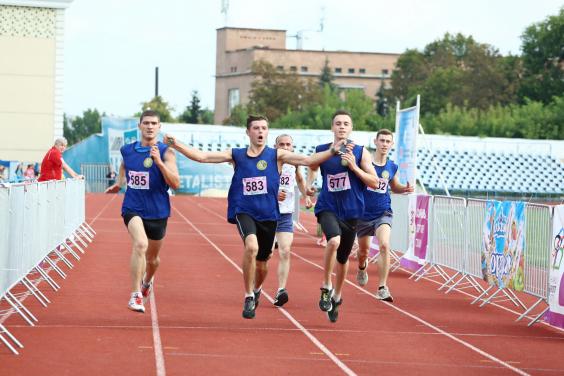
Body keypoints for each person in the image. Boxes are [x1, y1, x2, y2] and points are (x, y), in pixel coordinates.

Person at [164, 115, 347, 319]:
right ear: (248, 132)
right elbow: (203, 157)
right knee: (251, 246)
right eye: (256, 128)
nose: (260, 132)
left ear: (267, 132)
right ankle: (249, 294)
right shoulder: (237, 155)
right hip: (244, 210)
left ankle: (257, 288)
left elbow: (308, 160)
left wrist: (332, 150)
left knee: (263, 262)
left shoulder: (277, 155)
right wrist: (177, 144)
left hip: (269, 214)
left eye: (264, 128)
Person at [306, 110, 379, 323]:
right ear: (332, 128)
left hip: (352, 211)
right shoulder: (323, 150)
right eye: (338, 123)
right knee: (333, 241)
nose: (342, 127)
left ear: (351, 128)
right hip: (328, 206)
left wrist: (354, 167)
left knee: (343, 258)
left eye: (346, 123)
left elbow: (374, 182)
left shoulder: (360, 152)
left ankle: (337, 295)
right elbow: (311, 166)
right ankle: (326, 284)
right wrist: (310, 185)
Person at [105, 110, 180, 313]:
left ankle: (147, 282)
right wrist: (119, 183)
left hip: (158, 211)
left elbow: (176, 183)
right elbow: (124, 165)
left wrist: (159, 163)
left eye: (153, 123)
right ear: (139, 126)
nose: (149, 126)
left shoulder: (167, 152)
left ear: (159, 127)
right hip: (133, 206)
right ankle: (135, 294)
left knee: (153, 260)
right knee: (140, 244)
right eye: (146, 123)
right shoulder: (127, 150)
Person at [355, 129, 414, 302]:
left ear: (392, 144)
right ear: (375, 142)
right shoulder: (364, 164)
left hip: (383, 212)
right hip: (363, 214)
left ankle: (382, 287)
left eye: (388, 141)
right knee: (363, 251)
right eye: (382, 141)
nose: (385, 144)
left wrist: (405, 188)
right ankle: (361, 266)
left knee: (385, 245)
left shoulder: (392, 166)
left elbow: (394, 187)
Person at [272, 134, 313, 307]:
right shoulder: (268, 161)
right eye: (282, 144)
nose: (285, 147)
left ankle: (281, 289)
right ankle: (256, 289)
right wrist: (273, 193)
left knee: (285, 250)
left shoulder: (294, 162)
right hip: (266, 213)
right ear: (275, 146)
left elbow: (300, 179)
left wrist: (306, 195)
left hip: (286, 214)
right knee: (264, 255)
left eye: (288, 144)